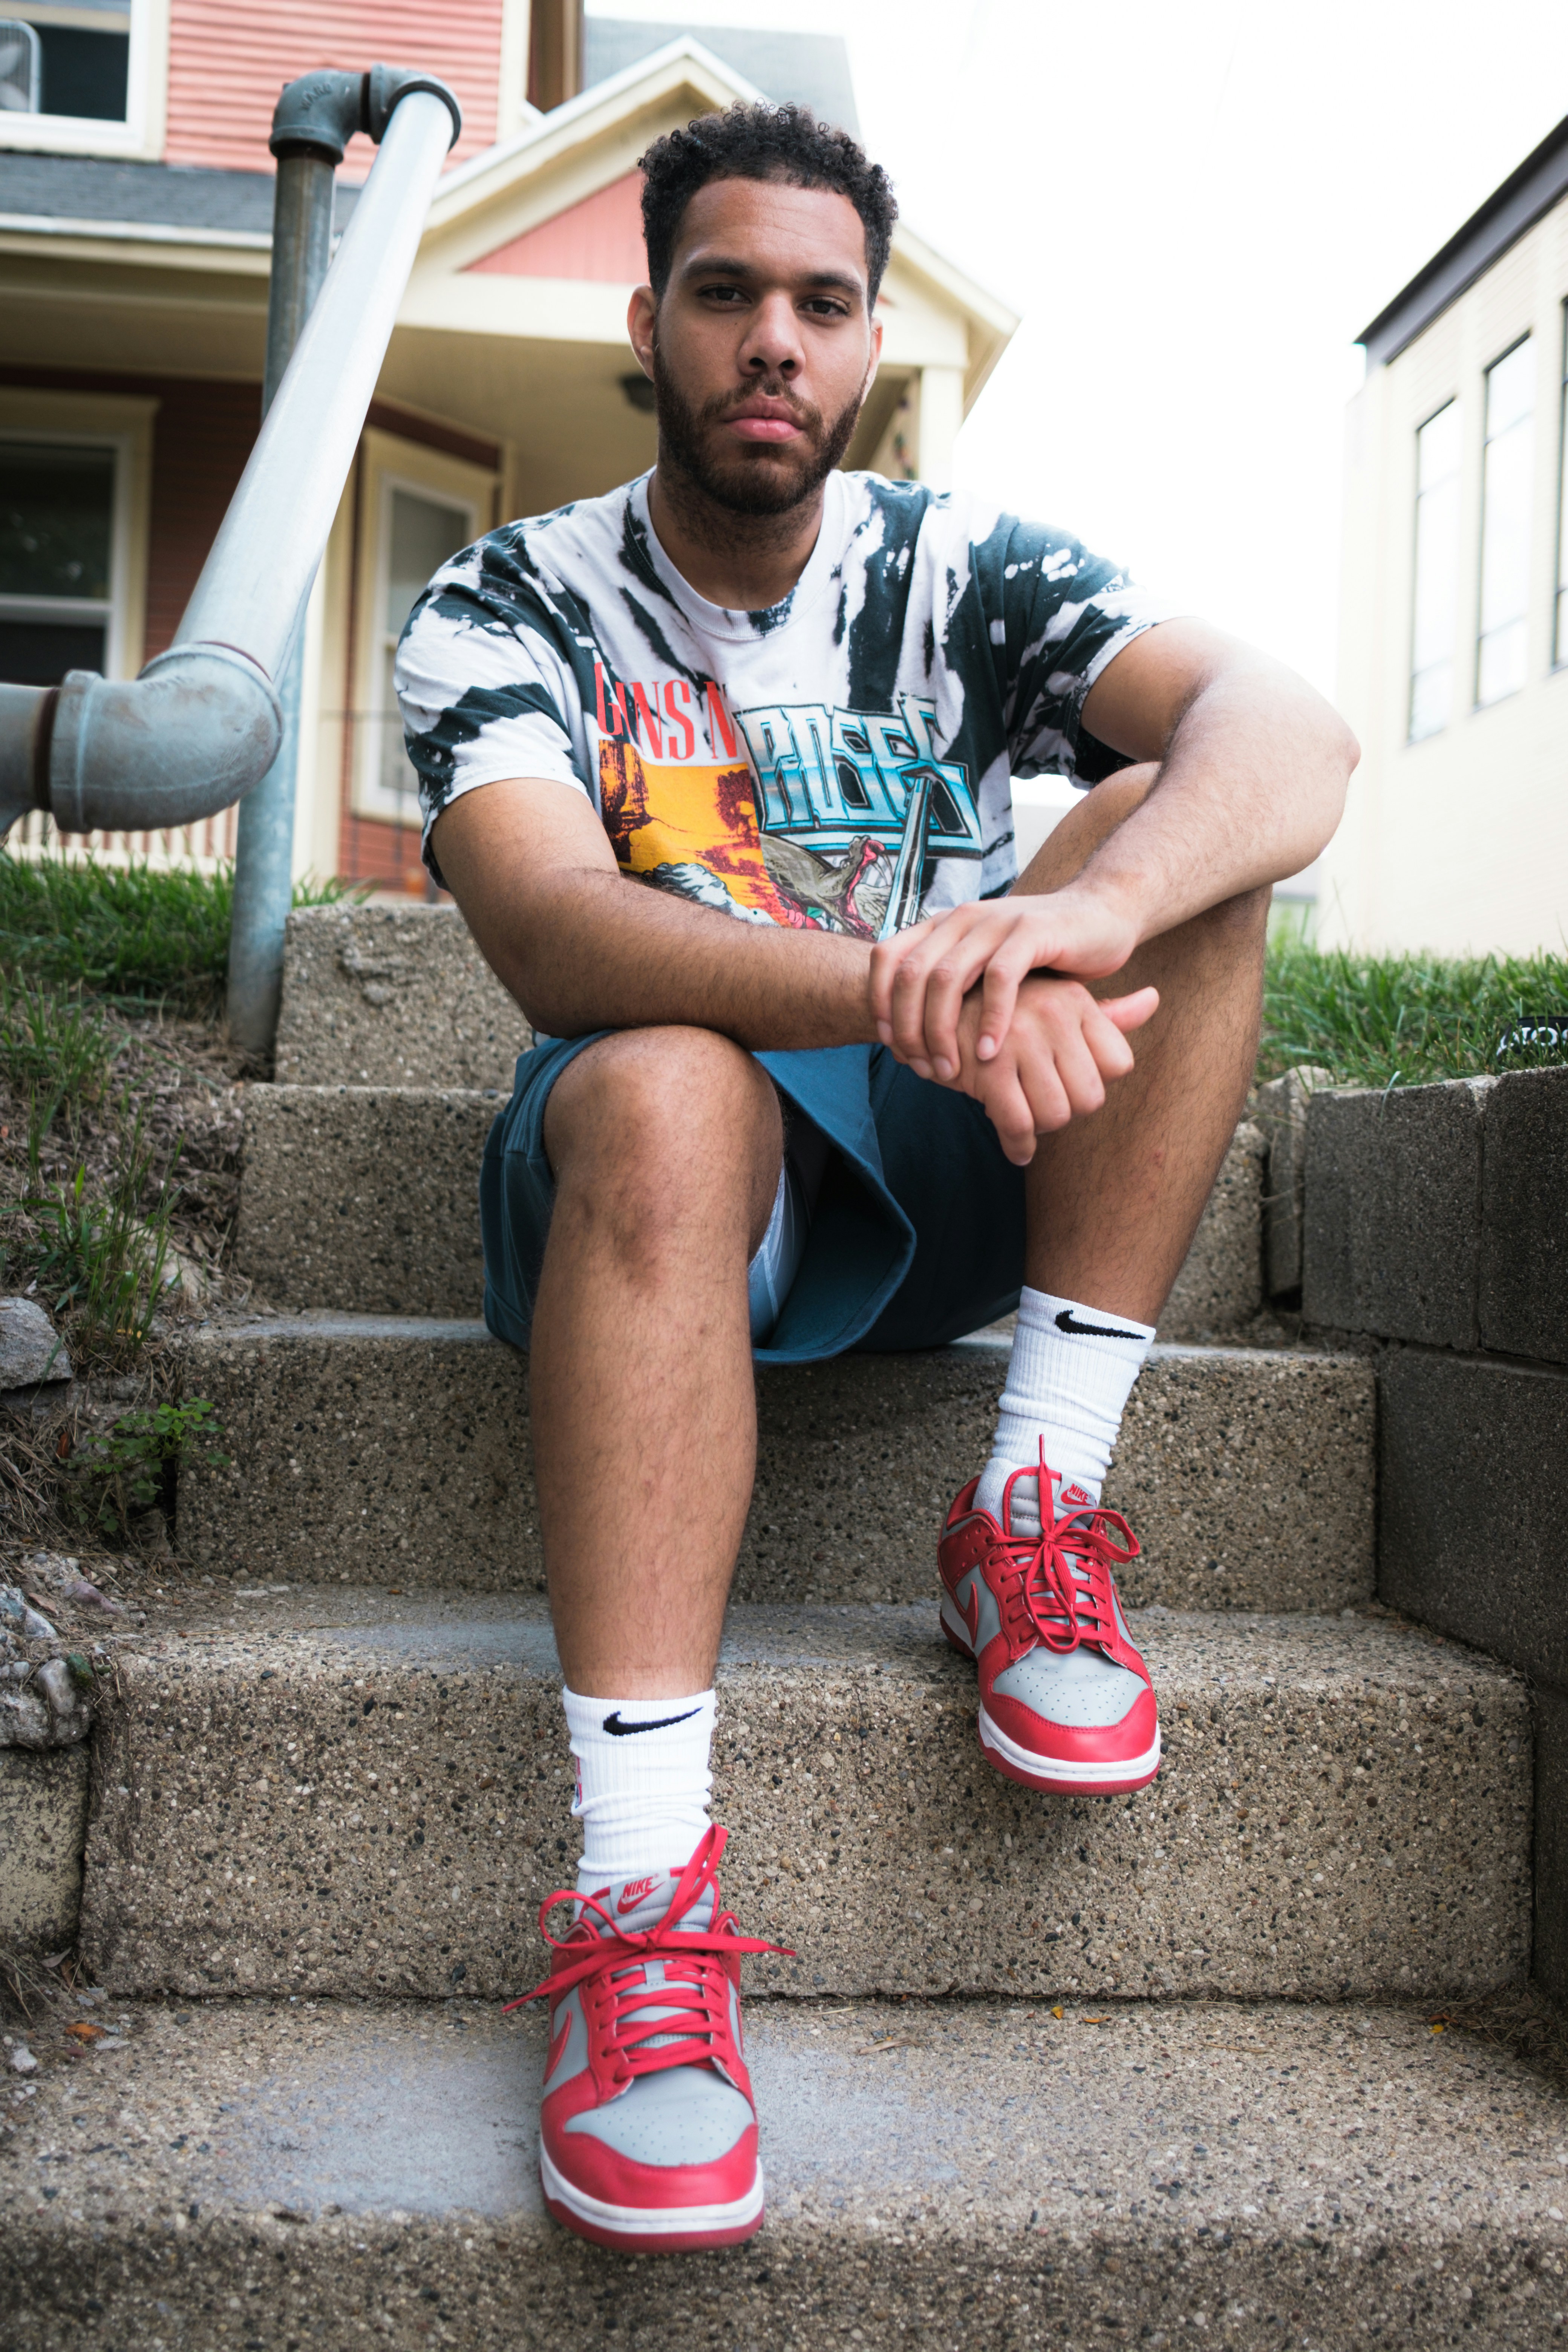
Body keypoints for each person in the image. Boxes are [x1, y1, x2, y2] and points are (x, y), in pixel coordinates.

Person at [397, 101, 1356, 2255]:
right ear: (646, 320)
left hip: (961, 1162)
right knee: (653, 1073)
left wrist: (1072, 929)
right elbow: (549, 926)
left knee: (1191, 861)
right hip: (679, 1198)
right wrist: (902, 981)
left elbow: (1294, 728)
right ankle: (642, 1899)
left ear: (867, 342)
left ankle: (1033, 1496)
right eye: (725, 293)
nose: (773, 343)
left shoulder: (963, 566)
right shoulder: (510, 597)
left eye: (821, 304)